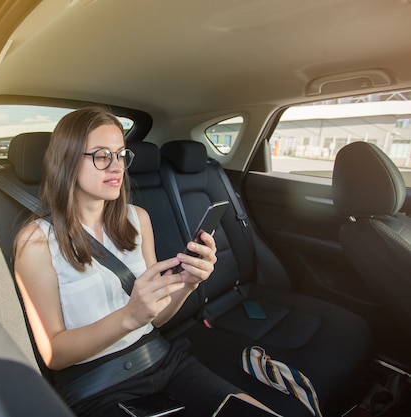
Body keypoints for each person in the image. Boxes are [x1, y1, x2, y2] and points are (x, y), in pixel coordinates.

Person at [14, 107, 273, 416]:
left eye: (121, 155)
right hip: (97, 385)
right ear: (67, 160)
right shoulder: (36, 241)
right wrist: (130, 315)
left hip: (162, 358)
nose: (116, 167)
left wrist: (189, 284)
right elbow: (54, 353)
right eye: (101, 156)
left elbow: (157, 318)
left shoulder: (138, 219)